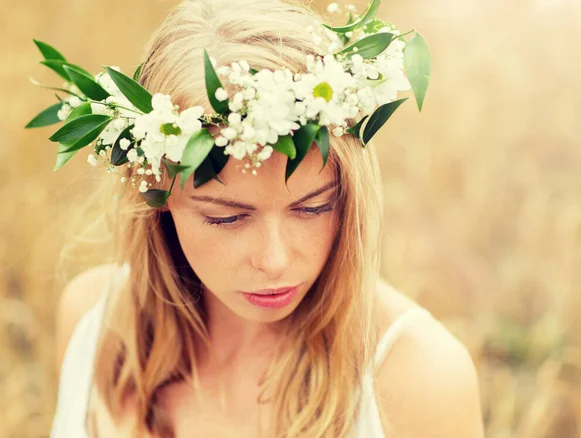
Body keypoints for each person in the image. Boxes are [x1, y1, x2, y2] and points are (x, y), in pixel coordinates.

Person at [46, 0, 484, 436]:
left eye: (313, 208)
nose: (274, 261)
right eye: (226, 218)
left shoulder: (417, 378)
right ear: (156, 196)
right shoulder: (94, 324)